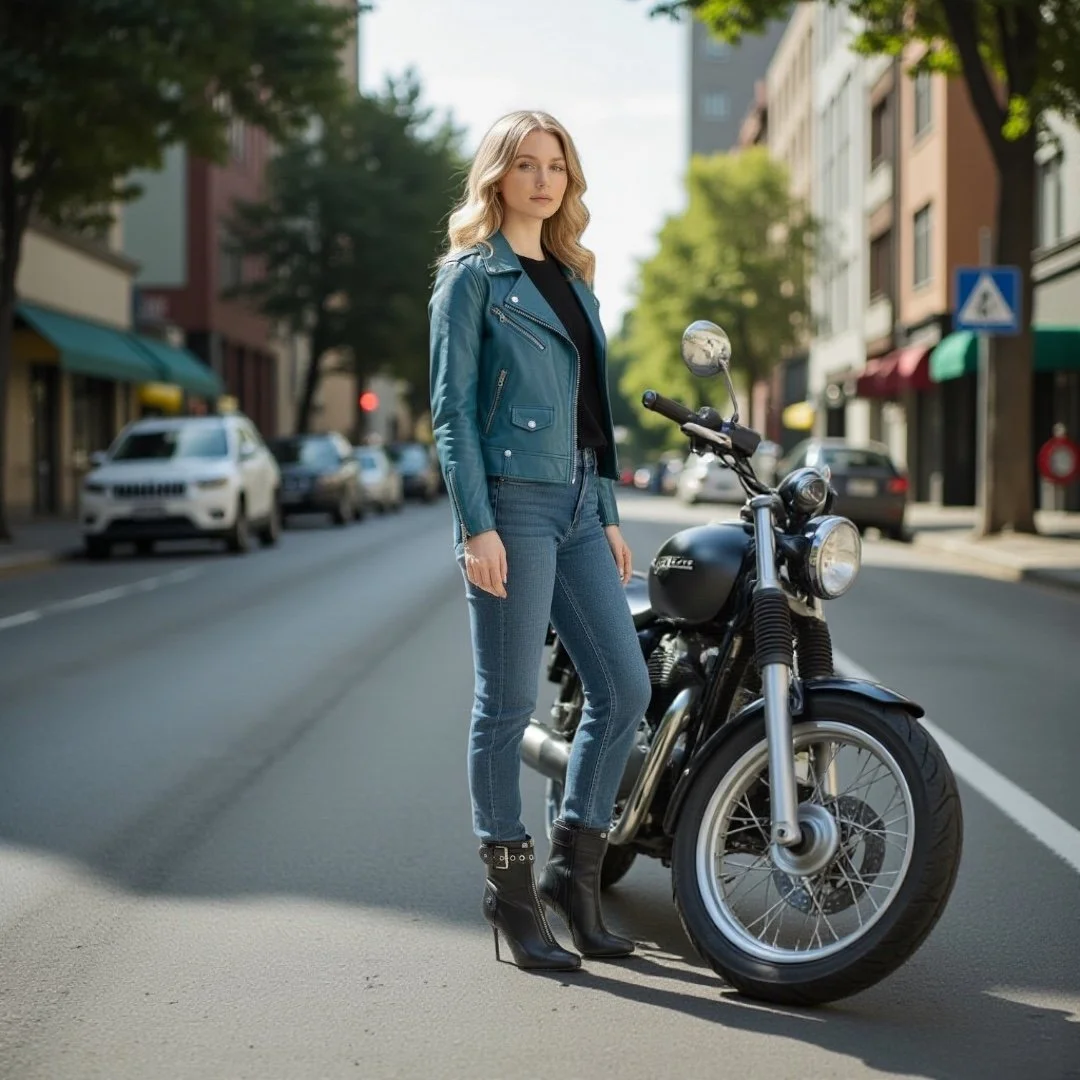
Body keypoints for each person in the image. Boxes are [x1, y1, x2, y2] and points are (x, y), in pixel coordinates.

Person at [428, 111, 652, 972]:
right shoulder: (471, 277)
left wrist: (605, 510)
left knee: (624, 687)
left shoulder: (575, 276)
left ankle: (573, 871)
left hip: (574, 504)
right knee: (507, 701)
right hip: (511, 507)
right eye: (526, 164)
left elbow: (593, 414)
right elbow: (453, 412)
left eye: (555, 165)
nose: (543, 179)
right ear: (498, 177)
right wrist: (475, 524)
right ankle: (509, 891)